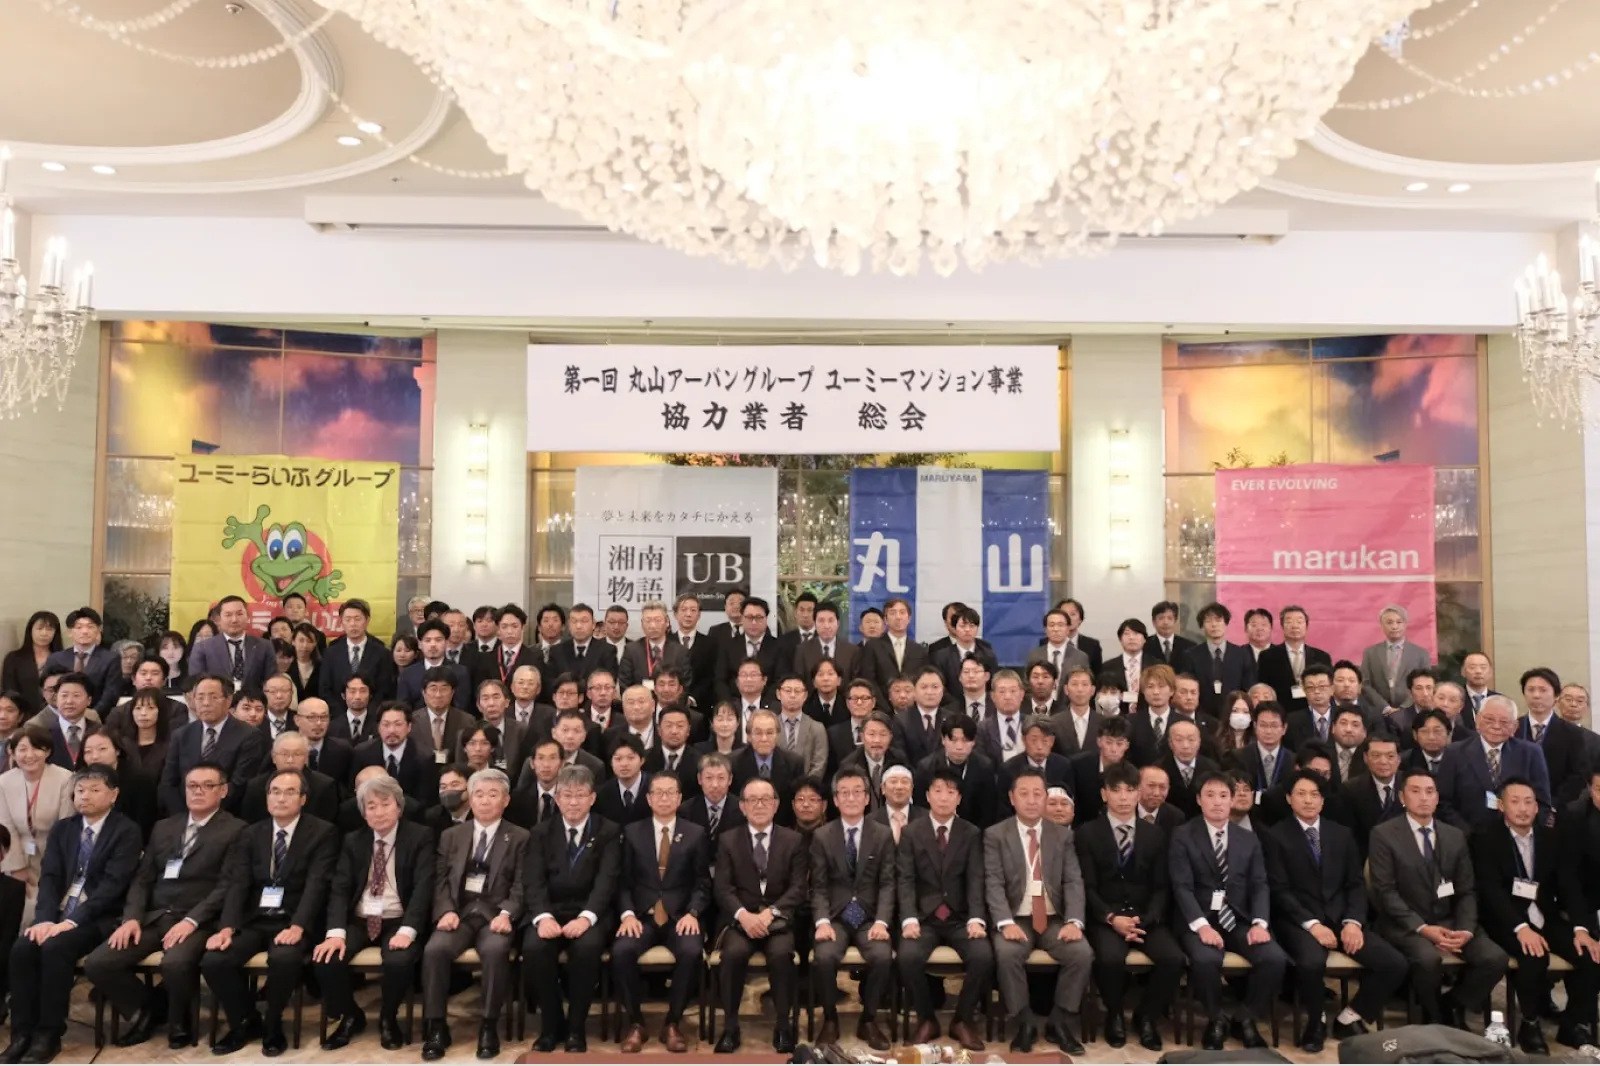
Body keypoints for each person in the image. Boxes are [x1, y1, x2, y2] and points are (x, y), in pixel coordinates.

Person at [84, 761, 244, 1050]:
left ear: (223, 791)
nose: (198, 792)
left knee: (175, 963)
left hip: (197, 919)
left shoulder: (236, 830)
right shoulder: (164, 827)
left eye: (207, 786)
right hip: (155, 916)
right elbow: (142, 879)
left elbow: (227, 886)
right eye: (192, 786)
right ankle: (147, 1009)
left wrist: (191, 921)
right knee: (99, 963)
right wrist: (132, 918)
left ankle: (180, 1021)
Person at [3, 765, 141, 1064]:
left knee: (56, 947)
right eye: (80, 790)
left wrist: (70, 922)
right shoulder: (63, 829)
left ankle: (49, 1034)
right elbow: (50, 878)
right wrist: (44, 920)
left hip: (97, 917)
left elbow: (113, 887)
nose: (85, 796)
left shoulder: (126, 831)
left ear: (113, 795)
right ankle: (21, 1033)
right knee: (23, 948)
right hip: (58, 914)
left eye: (94, 790)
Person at [1266, 770, 1408, 1052]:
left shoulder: (1341, 834)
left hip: (1342, 918)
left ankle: (1349, 1016)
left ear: (1323, 800)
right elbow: (1279, 890)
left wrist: (1353, 922)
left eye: (1315, 795)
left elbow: (1355, 883)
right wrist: (1312, 925)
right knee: (1310, 963)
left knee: (1394, 964)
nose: (1309, 800)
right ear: (1289, 798)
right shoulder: (1275, 836)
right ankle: (1315, 1021)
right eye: (1301, 794)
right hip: (1299, 922)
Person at [203, 768, 339, 1054]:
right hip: (255, 919)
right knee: (215, 959)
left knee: (285, 958)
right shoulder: (251, 833)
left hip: (294, 919)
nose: (281, 798)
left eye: (290, 792)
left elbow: (317, 885)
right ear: (266, 798)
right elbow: (238, 883)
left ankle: (273, 1025)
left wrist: (299, 926)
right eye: (275, 792)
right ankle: (245, 1021)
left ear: (303, 799)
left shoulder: (322, 832)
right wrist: (226, 927)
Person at [1368, 768, 1508, 1029]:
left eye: (1430, 792)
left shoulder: (1454, 836)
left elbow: (1466, 890)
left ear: (1437, 797)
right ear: (1402, 797)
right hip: (1406, 924)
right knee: (1427, 960)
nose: (1424, 797)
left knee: (1494, 958)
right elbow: (1385, 892)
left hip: (1451, 920)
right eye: (1416, 791)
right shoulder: (1383, 834)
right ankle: (1432, 1017)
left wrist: (1465, 929)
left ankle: (1452, 1005)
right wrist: (1423, 928)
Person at [1474, 776, 1596, 1052]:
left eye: (1528, 802)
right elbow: (1490, 890)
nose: (1523, 808)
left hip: (1544, 916)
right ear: (1501, 806)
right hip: (1506, 919)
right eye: (1515, 801)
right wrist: (1520, 927)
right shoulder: (1485, 838)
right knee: (1534, 956)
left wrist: (1581, 928)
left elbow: (1568, 884)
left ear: (1537, 807)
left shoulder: (1551, 838)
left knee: (1590, 955)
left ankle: (1572, 1024)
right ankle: (1530, 1025)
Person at [315, 773, 436, 1051]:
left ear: (399, 806)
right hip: (360, 918)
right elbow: (340, 889)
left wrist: (408, 930)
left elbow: (424, 888)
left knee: (398, 961)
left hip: (398, 919)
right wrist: (335, 933)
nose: (378, 812)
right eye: (371, 806)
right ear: (363, 812)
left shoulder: (420, 837)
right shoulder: (353, 840)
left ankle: (388, 1018)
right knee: (326, 959)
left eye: (385, 804)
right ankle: (351, 1015)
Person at [1170, 770, 1287, 1051]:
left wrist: (1260, 923)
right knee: (1205, 959)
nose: (1217, 802)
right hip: (1199, 920)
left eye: (1224, 795)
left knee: (1274, 958)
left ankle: (1244, 1018)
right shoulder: (1183, 835)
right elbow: (1182, 887)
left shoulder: (1248, 838)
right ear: (1199, 800)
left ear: (1232, 800)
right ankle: (1215, 1019)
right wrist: (1202, 926)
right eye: (1210, 795)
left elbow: (1259, 884)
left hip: (1238, 919)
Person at [1070, 760, 1181, 1051]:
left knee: (1173, 959)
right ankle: (1115, 1014)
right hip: (1106, 916)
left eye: (1130, 790)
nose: (1123, 797)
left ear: (1138, 794)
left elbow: (1161, 886)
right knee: (1109, 959)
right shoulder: (1087, 833)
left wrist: (1148, 918)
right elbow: (1087, 887)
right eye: (1116, 790)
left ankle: (1146, 1016)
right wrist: (1110, 918)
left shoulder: (1155, 835)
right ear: (1104, 794)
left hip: (1145, 917)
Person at [419, 767, 527, 1061]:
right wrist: (445, 910)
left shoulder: (520, 837)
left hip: (496, 916)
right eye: (478, 794)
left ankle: (489, 1026)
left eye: (493, 794)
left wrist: (507, 913)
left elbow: (522, 884)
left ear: (506, 800)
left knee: (495, 950)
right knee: (435, 949)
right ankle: (437, 1026)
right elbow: (439, 879)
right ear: (470, 798)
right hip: (459, 913)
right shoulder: (451, 835)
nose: (485, 801)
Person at [983, 767, 1092, 1053]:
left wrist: (1074, 921)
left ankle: (1059, 1022)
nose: (1031, 800)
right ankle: (1025, 1023)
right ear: (1012, 798)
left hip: (1053, 919)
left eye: (1037, 794)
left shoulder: (1062, 836)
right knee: (1007, 954)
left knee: (1081, 953)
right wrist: (1005, 922)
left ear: (1045, 797)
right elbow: (993, 882)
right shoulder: (996, 835)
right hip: (1016, 918)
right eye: (1024, 794)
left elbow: (1073, 880)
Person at [521, 765, 620, 1053]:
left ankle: (576, 1028)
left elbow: (607, 881)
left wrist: (586, 918)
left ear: (592, 798)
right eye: (567, 795)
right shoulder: (541, 832)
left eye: (580, 795)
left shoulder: (608, 831)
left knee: (587, 949)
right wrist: (543, 917)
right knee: (534, 948)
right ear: (558, 798)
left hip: (590, 913)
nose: (573, 802)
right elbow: (533, 880)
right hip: (550, 911)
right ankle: (551, 1025)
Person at [612, 771, 710, 1054]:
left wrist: (693, 912)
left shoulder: (695, 833)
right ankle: (636, 1023)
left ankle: (673, 1022)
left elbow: (703, 882)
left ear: (679, 798)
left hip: (680, 916)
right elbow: (623, 882)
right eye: (658, 793)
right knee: (621, 951)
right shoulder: (632, 832)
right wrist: (627, 914)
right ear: (649, 798)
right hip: (641, 916)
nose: (664, 798)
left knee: (691, 951)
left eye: (670, 793)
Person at [895, 767, 991, 1051]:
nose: (944, 797)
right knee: (907, 956)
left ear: (959, 798)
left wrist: (976, 918)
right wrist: (909, 918)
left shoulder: (970, 832)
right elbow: (905, 879)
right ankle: (927, 1019)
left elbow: (976, 879)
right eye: (937, 791)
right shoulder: (911, 832)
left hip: (960, 917)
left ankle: (962, 1020)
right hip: (924, 918)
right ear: (927, 796)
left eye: (950, 792)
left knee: (983, 955)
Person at [711, 775, 804, 1054]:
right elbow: (723, 888)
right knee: (733, 955)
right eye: (752, 800)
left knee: (781, 955)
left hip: (778, 922)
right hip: (741, 922)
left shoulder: (793, 840)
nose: (759, 805)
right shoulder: (728, 840)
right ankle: (730, 1027)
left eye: (765, 799)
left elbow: (798, 888)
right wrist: (744, 916)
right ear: (742, 806)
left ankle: (783, 1027)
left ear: (776, 805)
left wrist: (771, 913)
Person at [808, 767, 896, 1049]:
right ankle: (830, 1019)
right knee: (824, 956)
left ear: (867, 798)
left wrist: (882, 921)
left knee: (882, 956)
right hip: (835, 917)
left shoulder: (882, 835)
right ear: (835, 800)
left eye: (857, 792)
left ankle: (868, 1020)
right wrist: (822, 921)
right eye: (844, 793)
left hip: (870, 917)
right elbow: (818, 886)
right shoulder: (823, 836)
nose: (851, 798)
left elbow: (887, 883)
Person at [0, 726, 77, 927]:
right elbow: (6, 828)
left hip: (55, 855)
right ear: (12, 752)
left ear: (48, 751)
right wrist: (17, 869)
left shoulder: (65, 778)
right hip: (17, 854)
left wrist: (51, 869)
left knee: (45, 908)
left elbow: (66, 827)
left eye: (36, 748)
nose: (29, 755)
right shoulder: (4, 782)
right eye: (22, 749)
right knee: (15, 910)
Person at [159, 674, 268, 816]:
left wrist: (205, 813)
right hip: (183, 816)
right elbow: (168, 783)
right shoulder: (181, 735)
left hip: (227, 817)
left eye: (213, 697)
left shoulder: (249, 736)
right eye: (200, 697)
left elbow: (239, 784)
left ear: (228, 701)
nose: (205, 703)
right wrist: (186, 816)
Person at [1438, 696, 1552, 830]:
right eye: (1489, 720)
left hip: (1518, 834)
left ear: (1515, 726)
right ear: (1478, 720)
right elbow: (1444, 802)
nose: (1496, 726)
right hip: (1468, 834)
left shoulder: (1531, 753)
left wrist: (1523, 832)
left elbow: (1542, 802)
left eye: (1504, 722)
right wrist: (1465, 833)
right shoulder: (1455, 752)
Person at [1516, 667, 1591, 805]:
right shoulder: (1513, 728)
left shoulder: (1572, 733)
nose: (1536, 695)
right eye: (1531, 690)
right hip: (1516, 805)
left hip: (1556, 808)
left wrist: (1552, 804)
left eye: (1543, 690)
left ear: (1556, 696)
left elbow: (1577, 776)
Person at [240, 731, 340, 825]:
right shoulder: (256, 786)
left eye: (297, 754)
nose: (290, 760)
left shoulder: (324, 786)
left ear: (306, 758)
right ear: (273, 757)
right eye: (284, 754)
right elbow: (250, 823)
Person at [913, 714, 994, 827]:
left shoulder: (984, 767)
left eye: (965, 740)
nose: (959, 747)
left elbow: (988, 811)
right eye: (954, 740)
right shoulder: (926, 767)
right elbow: (920, 807)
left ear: (974, 742)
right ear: (943, 740)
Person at [319, 599, 398, 714]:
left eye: (357, 619)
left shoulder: (382, 653)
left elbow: (385, 689)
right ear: (341, 622)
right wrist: (344, 715)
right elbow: (324, 689)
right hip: (338, 716)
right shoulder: (331, 653)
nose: (353, 624)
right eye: (348, 619)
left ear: (367, 620)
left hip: (372, 716)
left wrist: (366, 714)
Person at [188, 596, 276, 694]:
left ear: (247, 616)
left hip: (254, 702)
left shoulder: (264, 646)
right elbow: (196, 684)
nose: (234, 620)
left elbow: (271, 682)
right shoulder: (202, 648)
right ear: (219, 619)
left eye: (239, 614)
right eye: (228, 615)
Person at [352, 701, 437, 801]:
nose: (391, 730)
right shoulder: (362, 753)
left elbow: (425, 799)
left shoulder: (424, 757)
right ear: (378, 727)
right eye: (386, 724)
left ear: (409, 727)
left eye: (398, 724)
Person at [1359, 605, 1431, 720]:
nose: (1394, 626)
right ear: (1382, 625)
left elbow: (1427, 685)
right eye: (1389, 622)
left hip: (1412, 714)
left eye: (1399, 622)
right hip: (1378, 713)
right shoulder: (1370, 653)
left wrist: (1403, 708)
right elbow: (1365, 684)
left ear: (1405, 624)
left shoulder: (1421, 654)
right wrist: (1385, 707)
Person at [1339, 732, 1406, 855]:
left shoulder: (1410, 785)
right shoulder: (1351, 790)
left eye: (1390, 756)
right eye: (1376, 756)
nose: (1383, 761)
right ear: (1365, 758)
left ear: (1399, 759)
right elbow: (1349, 837)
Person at [82, 732, 157, 841]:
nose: (95, 756)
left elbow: (145, 823)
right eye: (88, 751)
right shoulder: (81, 780)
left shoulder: (139, 780)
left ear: (117, 750)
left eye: (102, 749)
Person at [44, 608, 120, 716]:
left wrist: (92, 714)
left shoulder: (110, 659)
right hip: (61, 716)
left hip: (96, 717)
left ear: (98, 631)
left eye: (90, 627)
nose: (85, 631)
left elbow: (111, 693)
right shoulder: (56, 659)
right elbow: (48, 689)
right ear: (70, 632)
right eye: (79, 627)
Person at [1184, 602, 1256, 715]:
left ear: (1226, 623)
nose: (1214, 625)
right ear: (1202, 627)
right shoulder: (1191, 655)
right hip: (1201, 715)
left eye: (1218, 620)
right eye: (1208, 621)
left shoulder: (1241, 654)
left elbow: (1248, 688)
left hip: (1235, 714)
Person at [1255, 605, 1330, 713]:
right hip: (1281, 712)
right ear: (1282, 626)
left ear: (1306, 626)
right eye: (1289, 622)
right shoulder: (1267, 656)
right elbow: (1264, 689)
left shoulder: (1322, 657)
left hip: (1313, 712)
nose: (1294, 626)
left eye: (1299, 622)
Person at [857, 598, 928, 696]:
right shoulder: (873, 646)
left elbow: (923, 681)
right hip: (881, 703)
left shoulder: (919, 650)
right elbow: (869, 680)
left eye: (902, 612)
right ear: (885, 620)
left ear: (909, 618)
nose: (898, 617)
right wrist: (884, 704)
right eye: (892, 613)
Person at [398, 620, 472, 712]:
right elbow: (403, 708)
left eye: (438, 640)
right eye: (427, 640)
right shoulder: (408, 674)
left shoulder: (460, 672)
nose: (433, 645)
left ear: (446, 643)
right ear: (420, 644)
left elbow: (461, 706)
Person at [1, 612, 61, 714]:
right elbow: (9, 691)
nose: (44, 633)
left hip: (56, 714)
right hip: (22, 715)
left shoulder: (62, 658)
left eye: (49, 629)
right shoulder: (14, 658)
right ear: (30, 630)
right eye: (39, 628)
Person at [773, 674, 827, 779]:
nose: (793, 695)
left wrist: (805, 785)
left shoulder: (817, 728)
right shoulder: (770, 726)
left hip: (807, 785)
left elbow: (819, 764)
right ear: (778, 694)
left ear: (805, 696)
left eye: (797, 691)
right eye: (788, 691)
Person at [1212, 690, 1254, 763]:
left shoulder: (1256, 742)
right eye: (1235, 711)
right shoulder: (1216, 742)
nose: (1240, 716)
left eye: (1245, 712)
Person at [288, 623, 322, 706]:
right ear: (293, 641)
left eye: (310, 641)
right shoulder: (287, 665)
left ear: (315, 643)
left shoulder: (322, 666)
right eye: (301, 640)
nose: (305, 645)